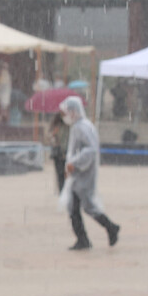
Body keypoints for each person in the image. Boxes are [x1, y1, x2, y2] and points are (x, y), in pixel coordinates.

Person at [59, 97, 120, 250]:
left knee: (86, 207)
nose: (64, 116)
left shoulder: (81, 128)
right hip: (81, 174)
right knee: (75, 207)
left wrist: (74, 163)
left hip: (83, 175)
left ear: (73, 111)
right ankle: (84, 238)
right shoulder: (82, 126)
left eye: (66, 112)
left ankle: (109, 227)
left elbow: (90, 150)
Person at [47, 113, 70, 192]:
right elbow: (49, 137)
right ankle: (62, 191)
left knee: (67, 175)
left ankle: (66, 191)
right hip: (58, 153)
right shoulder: (55, 125)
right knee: (60, 175)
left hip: (67, 153)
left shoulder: (69, 125)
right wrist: (54, 134)